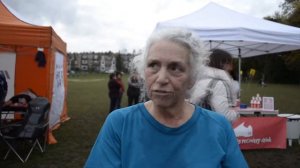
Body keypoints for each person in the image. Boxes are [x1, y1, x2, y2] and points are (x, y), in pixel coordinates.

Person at [85, 29, 248, 168]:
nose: (161, 78)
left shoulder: (219, 127)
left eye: (175, 68)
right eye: (153, 65)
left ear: (192, 77)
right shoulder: (119, 124)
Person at [189, 49, 239, 122]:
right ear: (223, 63)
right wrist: (236, 113)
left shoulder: (198, 79)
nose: (231, 68)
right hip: (211, 128)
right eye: (230, 63)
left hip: (196, 124)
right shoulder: (220, 83)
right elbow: (225, 116)